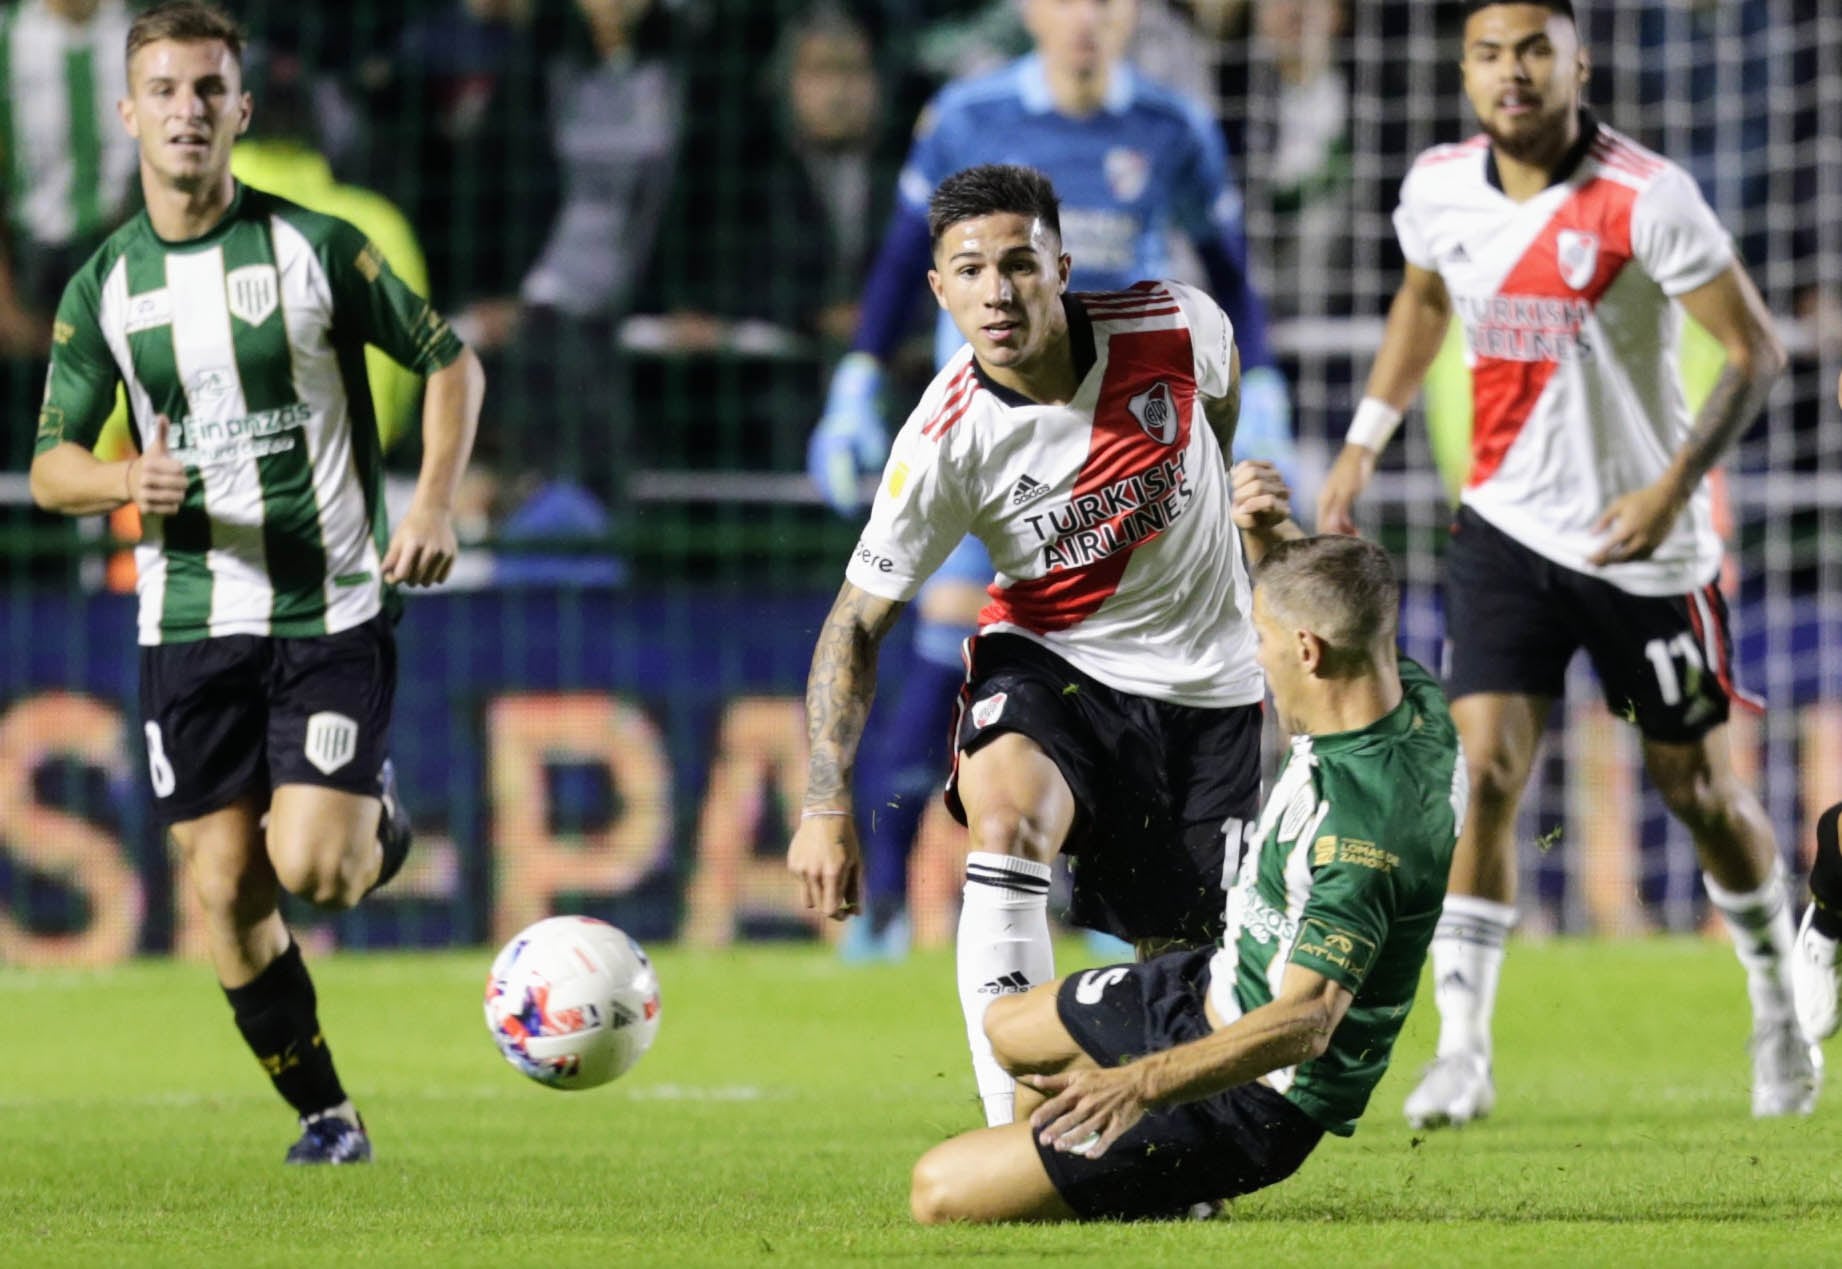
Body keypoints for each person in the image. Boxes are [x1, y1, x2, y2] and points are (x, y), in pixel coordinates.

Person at [1316, 0, 1815, 1126]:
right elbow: (1424, 301)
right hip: (1502, 531)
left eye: (1535, 50)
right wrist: (1360, 446)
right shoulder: (1438, 189)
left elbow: (1756, 351)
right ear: (1464, 72)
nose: (1514, 73)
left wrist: (1672, 489)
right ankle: (1466, 1051)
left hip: (1648, 548)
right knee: (1480, 776)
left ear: (1577, 63)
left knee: (1696, 790)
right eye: (1490, 54)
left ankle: (1778, 1000)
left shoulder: (1649, 197)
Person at [27, 2, 484, 1163]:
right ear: (128, 112)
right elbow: (48, 468)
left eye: (208, 90)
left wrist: (431, 501)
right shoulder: (103, 290)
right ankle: (326, 1116)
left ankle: (372, 818)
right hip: (187, 624)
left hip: (327, 605)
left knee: (314, 868)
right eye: (166, 90)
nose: (188, 110)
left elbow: (451, 362)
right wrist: (124, 476)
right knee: (225, 890)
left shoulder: (316, 248)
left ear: (242, 109)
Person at [808, 0, 1295, 961]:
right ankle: (892, 898)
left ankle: (1118, 903)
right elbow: (911, 256)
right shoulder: (969, 115)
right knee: (954, 623)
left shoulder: (1172, 124)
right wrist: (859, 374)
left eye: (1111, 2)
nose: (1088, 19)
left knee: (1124, 652)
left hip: (1130, 414)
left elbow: (1228, 272)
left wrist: (1258, 388)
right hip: (1005, 419)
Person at [788, 163, 1270, 1128]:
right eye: (968, 271)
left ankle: (1164, 1141)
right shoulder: (944, 438)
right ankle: (1014, 1128)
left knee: (1181, 962)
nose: (995, 292)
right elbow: (855, 622)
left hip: (1210, 683)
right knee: (1002, 819)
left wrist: (1229, 511)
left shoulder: (1178, 324)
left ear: (1062, 265)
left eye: (1018, 263)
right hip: (1055, 660)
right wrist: (824, 799)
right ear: (937, 290)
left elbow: (1219, 419)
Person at [907, 531, 1463, 1223]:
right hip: (1207, 985)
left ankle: (1169, 1179)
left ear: (1307, 651)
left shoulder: (1364, 831)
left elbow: (1306, 1021)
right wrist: (1267, 537)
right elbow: (1340, 607)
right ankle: (1131, 1177)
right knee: (1009, 1030)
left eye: (1261, 637)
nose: (1256, 657)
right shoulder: (1411, 703)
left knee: (938, 1190)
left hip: (1252, 1093)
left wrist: (1144, 1082)